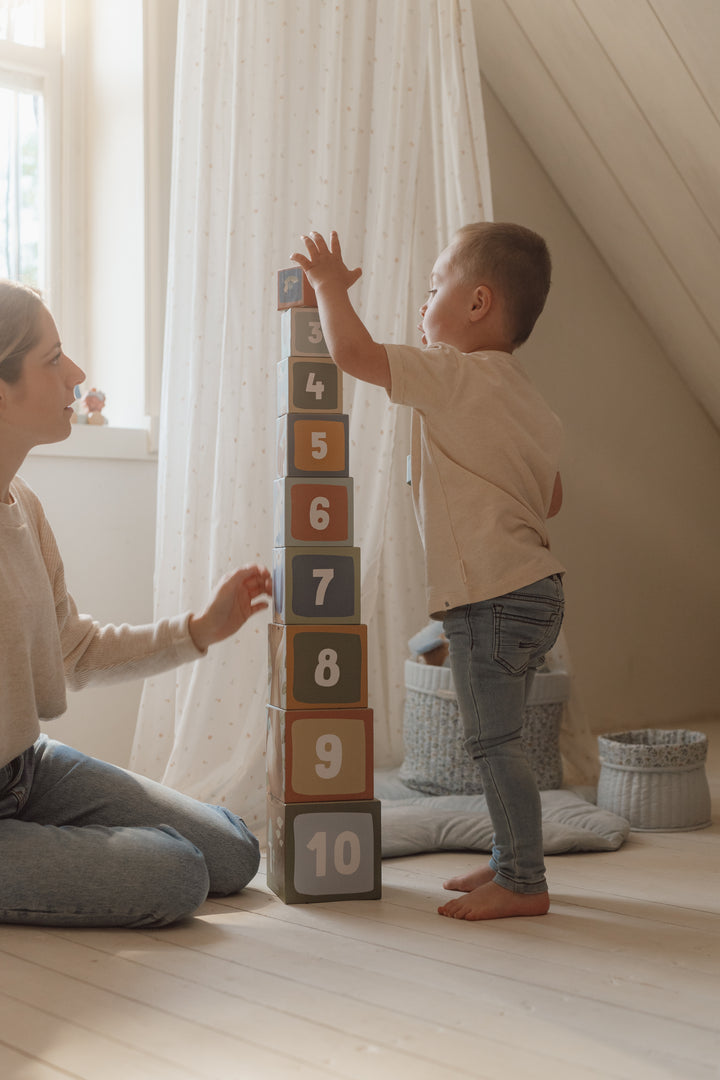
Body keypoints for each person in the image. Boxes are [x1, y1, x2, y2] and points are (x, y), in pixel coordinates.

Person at [291, 224, 565, 921]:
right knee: (505, 738)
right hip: (539, 590)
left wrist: (328, 287)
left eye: (435, 286)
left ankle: (524, 881)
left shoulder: (453, 371)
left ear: (477, 303)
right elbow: (553, 497)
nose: (423, 302)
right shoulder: (529, 398)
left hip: (490, 596)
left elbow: (354, 354)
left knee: (492, 743)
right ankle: (509, 858)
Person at [0, 280, 272, 928]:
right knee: (178, 873)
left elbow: (76, 649)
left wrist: (199, 629)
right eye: (53, 359)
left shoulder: (23, 504)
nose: (77, 374)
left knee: (232, 853)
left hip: (25, 768)